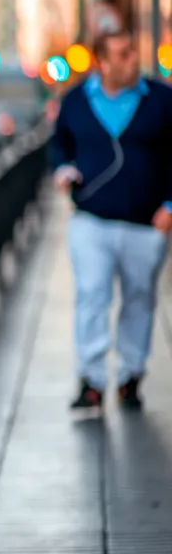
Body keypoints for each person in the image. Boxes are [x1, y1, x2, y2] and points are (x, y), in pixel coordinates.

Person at [50, 29, 172, 416]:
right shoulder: (75, 100)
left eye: (132, 52)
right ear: (102, 62)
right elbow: (59, 144)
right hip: (91, 220)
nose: (132, 60)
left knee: (139, 298)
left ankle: (130, 376)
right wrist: (63, 169)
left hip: (146, 223)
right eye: (122, 54)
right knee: (91, 294)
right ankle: (91, 381)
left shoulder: (162, 99)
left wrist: (170, 206)